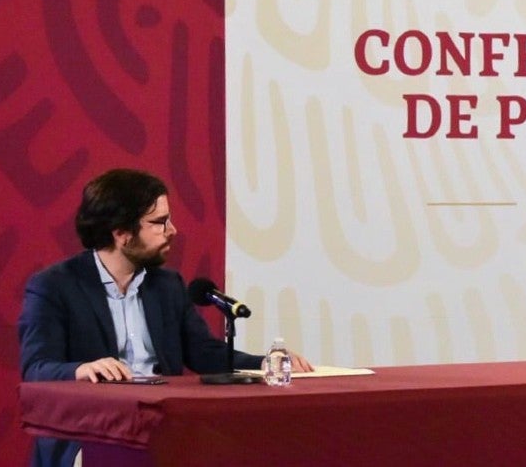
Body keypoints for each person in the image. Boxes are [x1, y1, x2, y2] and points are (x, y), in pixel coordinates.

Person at [18, 168, 312, 467]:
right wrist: (83, 368)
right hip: (92, 432)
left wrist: (264, 363)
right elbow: (37, 368)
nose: (172, 230)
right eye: (159, 222)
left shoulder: (167, 285)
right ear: (121, 233)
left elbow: (204, 353)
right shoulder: (55, 286)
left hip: (161, 427)